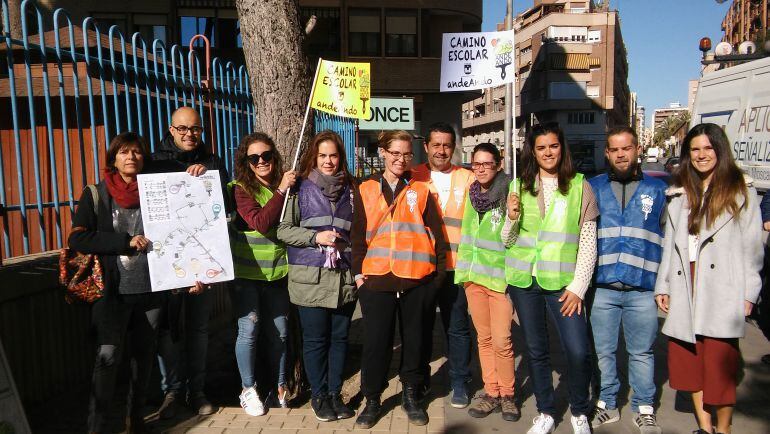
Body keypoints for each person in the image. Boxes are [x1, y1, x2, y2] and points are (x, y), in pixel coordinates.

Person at [70, 132, 204, 433]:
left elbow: (184, 227)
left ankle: (135, 420)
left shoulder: (158, 190)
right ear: (113, 158)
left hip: (152, 291)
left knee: (143, 361)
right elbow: (78, 237)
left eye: (137, 153)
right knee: (108, 357)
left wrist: (197, 175)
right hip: (112, 294)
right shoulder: (95, 193)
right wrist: (125, 241)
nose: (131, 157)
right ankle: (97, 425)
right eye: (124, 152)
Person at [654, 123, 763, 434]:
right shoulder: (679, 194)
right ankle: (705, 426)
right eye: (695, 149)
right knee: (690, 365)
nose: (701, 155)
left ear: (720, 150)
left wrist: (748, 293)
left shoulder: (741, 191)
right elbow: (669, 247)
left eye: (707, 148)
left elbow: (752, 248)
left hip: (722, 288)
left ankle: (724, 428)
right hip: (683, 282)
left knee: (720, 368)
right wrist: (663, 285)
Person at [503, 122, 599, 434]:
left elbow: (588, 244)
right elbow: (507, 240)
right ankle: (545, 411)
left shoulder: (580, 187)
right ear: (532, 150)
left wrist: (578, 287)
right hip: (525, 282)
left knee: (577, 350)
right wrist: (511, 218)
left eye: (553, 146)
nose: (548, 152)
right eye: (541, 147)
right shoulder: (518, 186)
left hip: (563, 285)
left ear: (562, 148)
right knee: (535, 349)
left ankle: (579, 411)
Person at [350, 130, 448, 429]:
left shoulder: (421, 190)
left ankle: (411, 395)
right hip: (376, 280)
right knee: (376, 344)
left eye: (407, 154)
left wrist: (436, 281)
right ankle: (372, 399)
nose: (401, 159)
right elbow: (356, 237)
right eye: (395, 153)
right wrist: (358, 278)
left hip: (416, 281)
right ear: (383, 152)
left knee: (416, 341)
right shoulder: (365, 188)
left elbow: (438, 238)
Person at [152, 106, 231, 417]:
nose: (189, 134)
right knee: (168, 331)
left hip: (201, 266)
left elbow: (221, 206)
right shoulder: (155, 162)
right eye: (182, 129)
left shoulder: (212, 161)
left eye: (195, 129)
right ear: (171, 130)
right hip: (167, 265)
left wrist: (207, 181)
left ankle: (197, 391)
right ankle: (170, 392)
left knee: (198, 328)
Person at [588, 127, 666, 434]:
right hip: (603, 286)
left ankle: (644, 408)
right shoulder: (591, 187)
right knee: (603, 351)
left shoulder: (659, 190)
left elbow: (669, 237)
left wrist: (665, 286)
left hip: (643, 287)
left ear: (637, 150)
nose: (621, 154)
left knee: (642, 352)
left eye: (626, 148)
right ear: (607, 153)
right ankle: (607, 404)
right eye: (614, 150)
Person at [277, 131, 357, 422]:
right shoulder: (300, 189)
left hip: (342, 279)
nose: (328, 161)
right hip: (309, 279)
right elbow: (283, 230)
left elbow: (358, 232)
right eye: (323, 155)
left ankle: (335, 394)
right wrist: (315, 238)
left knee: (339, 338)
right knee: (315, 340)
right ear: (315, 156)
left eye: (333, 155)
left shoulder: (351, 189)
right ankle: (319, 395)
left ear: (340, 157)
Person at [228, 132, 297, 416]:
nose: (261, 161)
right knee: (249, 331)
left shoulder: (290, 185)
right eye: (253, 158)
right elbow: (259, 222)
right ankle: (248, 389)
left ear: (274, 156)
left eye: (266, 155)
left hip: (278, 273)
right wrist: (281, 190)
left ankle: (280, 386)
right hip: (247, 275)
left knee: (280, 333)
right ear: (246, 162)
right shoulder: (241, 188)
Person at [454, 143, 520, 422]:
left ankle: (508, 395)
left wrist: (513, 217)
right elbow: (467, 235)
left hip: (500, 280)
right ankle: (491, 391)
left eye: (486, 164)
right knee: (484, 339)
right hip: (474, 278)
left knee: (503, 340)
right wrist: (463, 274)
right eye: (476, 164)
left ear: (498, 164)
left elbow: (513, 239)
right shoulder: (472, 194)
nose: (480, 169)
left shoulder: (510, 191)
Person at [412, 122, 475, 408]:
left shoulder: (468, 177)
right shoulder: (413, 177)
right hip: (423, 267)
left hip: (457, 267)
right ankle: (421, 380)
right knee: (421, 327)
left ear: (454, 147)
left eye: (446, 145)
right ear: (426, 146)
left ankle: (460, 381)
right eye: (436, 144)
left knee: (458, 327)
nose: (441, 150)